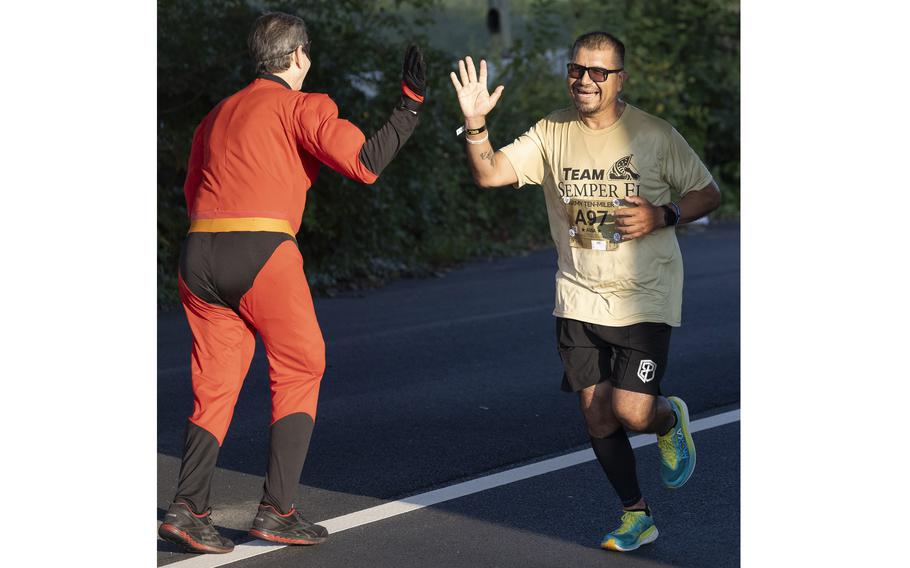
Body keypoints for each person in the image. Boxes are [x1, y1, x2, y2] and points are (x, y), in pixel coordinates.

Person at [158, 12, 426, 554]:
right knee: (302, 364)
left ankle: (189, 509)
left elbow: (193, 189)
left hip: (199, 252)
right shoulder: (306, 106)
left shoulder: (216, 114)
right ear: (299, 56)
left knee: (215, 386)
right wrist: (409, 106)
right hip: (262, 249)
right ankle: (277, 510)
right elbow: (365, 164)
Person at [449, 31, 720, 552]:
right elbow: (489, 173)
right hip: (578, 293)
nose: (586, 80)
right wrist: (476, 124)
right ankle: (635, 515)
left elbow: (708, 191)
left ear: (621, 79)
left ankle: (669, 419)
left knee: (633, 411)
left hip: (644, 295)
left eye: (599, 72)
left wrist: (665, 214)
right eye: (577, 70)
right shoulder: (552, 131)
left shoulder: (655, 135)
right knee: (597, 412)